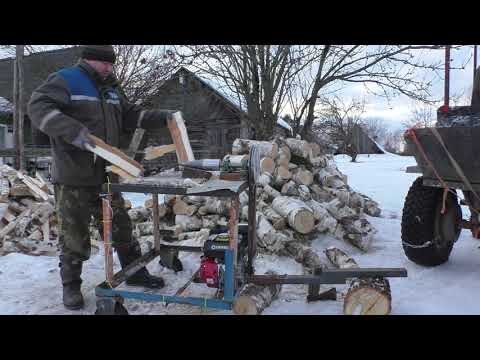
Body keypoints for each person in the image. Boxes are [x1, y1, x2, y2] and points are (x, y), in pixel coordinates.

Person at [28, 45, 172, 310]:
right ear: (88, 60)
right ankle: (71, 286)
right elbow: (37, 107)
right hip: (74, 175)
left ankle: (134, 271)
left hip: (106, 173)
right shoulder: (67, 79)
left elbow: (130, 115)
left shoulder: (112, 88)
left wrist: (162, 118)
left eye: (111, 64)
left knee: (121, 226)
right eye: (103, 63)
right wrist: (73, 131)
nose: (109, 68)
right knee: (74, 234)